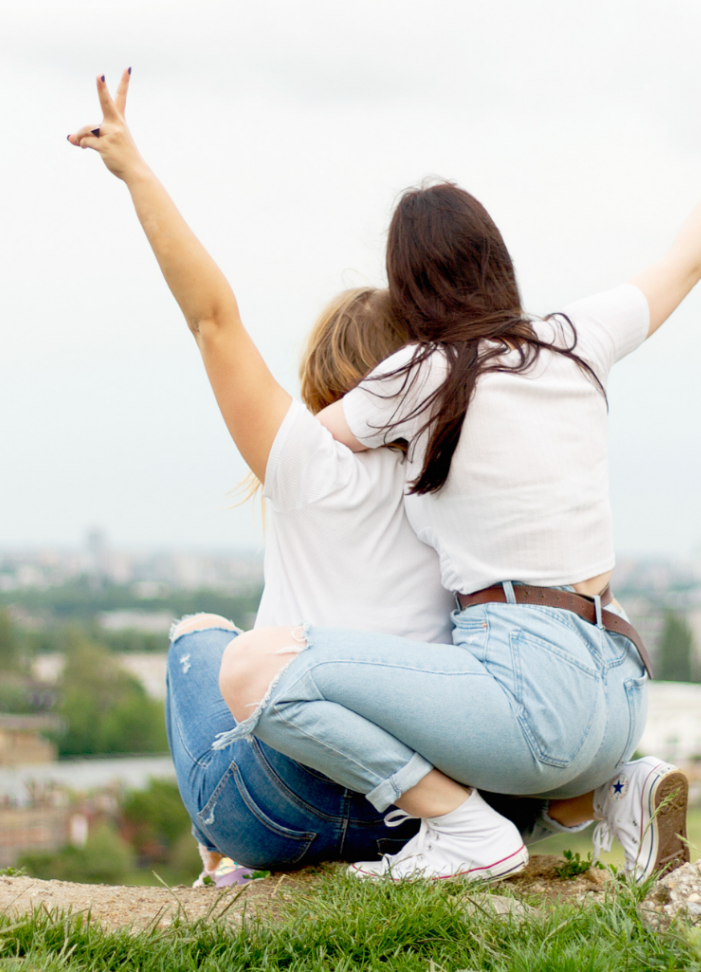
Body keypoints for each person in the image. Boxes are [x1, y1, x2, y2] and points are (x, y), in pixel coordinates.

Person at [216, 58, 701, 883]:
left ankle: (461, 833)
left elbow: (308, 443)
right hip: (620, 689)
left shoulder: (418, 374)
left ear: (406, 290)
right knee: (533, 721)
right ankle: (614, 790)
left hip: (527, 699)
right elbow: (687, 262)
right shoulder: (573, 337)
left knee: (252, 668)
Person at [67, 74, 468, 877]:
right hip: (422, 812)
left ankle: (224, 858)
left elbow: (212, 317)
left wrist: (135, 171)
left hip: (283, 810)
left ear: (326, 378)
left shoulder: (308, 464)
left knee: (199, 641)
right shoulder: (454, 476)